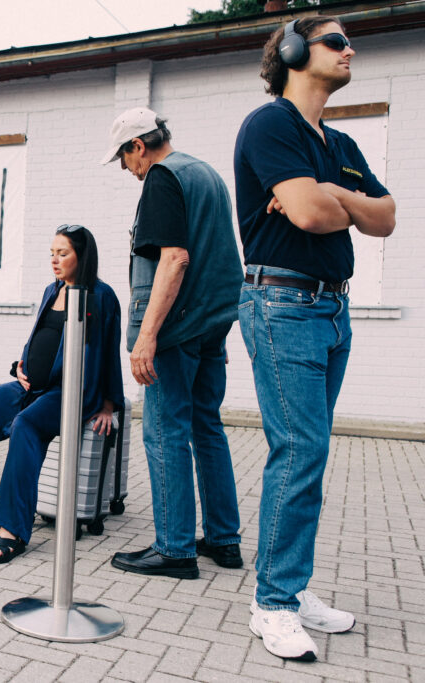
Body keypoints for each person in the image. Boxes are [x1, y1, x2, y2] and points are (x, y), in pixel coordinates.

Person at [235, 17, 395, 662]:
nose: (349, 48)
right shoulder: (269, 125)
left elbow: (385, 218)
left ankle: (292, 590)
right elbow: (306, 214)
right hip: (282, 303)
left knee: (310, 455)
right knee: (299, 452)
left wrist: (333, 192)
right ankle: (272, 604)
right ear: (295, 51)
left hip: (331, 309)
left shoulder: (342, 142)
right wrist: (336, 201)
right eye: (336, 40)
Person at [99, 108, 244, 581]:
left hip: (175, 329)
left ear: (139, 146)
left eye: (124, 157)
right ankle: (223, 540)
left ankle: (175, 549)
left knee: (164, 432)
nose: (126, 168)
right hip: (210, 324)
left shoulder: (162, 178)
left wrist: (147, 336)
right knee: (207, 427)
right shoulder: (207, 174)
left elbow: (175, 259)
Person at [0, 225, 123, 564]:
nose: (54, 260)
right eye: (52, 253)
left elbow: (109, 352)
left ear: (82, 256)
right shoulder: (52, 289)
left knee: (25, 425)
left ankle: (13, 530)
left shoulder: (101, 296)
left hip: (69, 393)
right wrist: (20, 364)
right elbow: (42, 337)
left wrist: (108, 405)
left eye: (63, 253)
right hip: (30, 386)